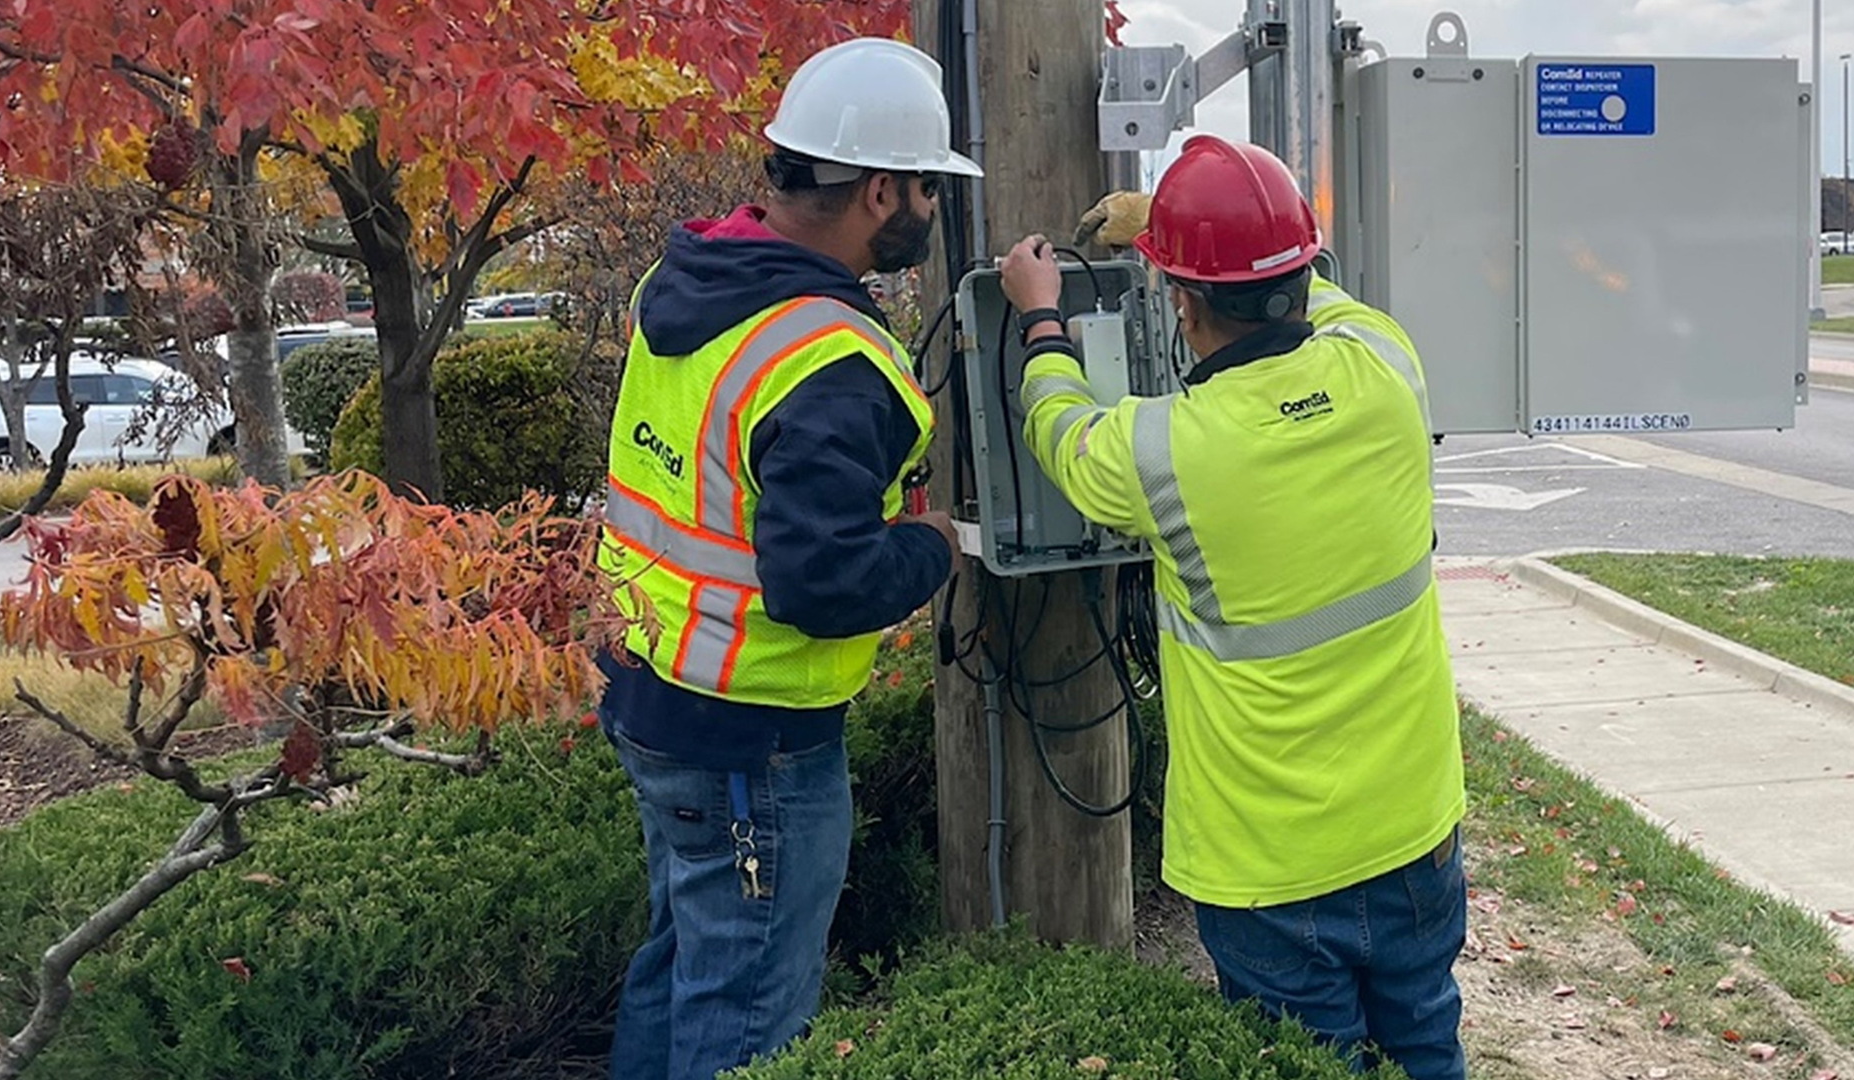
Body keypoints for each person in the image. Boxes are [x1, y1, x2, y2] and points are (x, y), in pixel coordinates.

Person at [998, 136, 1468, 1079]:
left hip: (1268, 867)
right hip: (1413, 829)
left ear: (1181, 303)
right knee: (1425, 1048)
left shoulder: (1165, 451)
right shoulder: (1387, 363)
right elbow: (1311, 291)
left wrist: (1041, 317)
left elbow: (1059, 427)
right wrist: (1197, 235)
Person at [593, 37, 978, 1080]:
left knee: (682, 965)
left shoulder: (684, 281)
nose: (933, 210)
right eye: (930, 189)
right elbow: (825, 584)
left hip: (651, 686)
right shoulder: (828, 360)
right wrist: (931, 547)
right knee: (749, 1014)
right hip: (752, 739)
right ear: (881, 190)